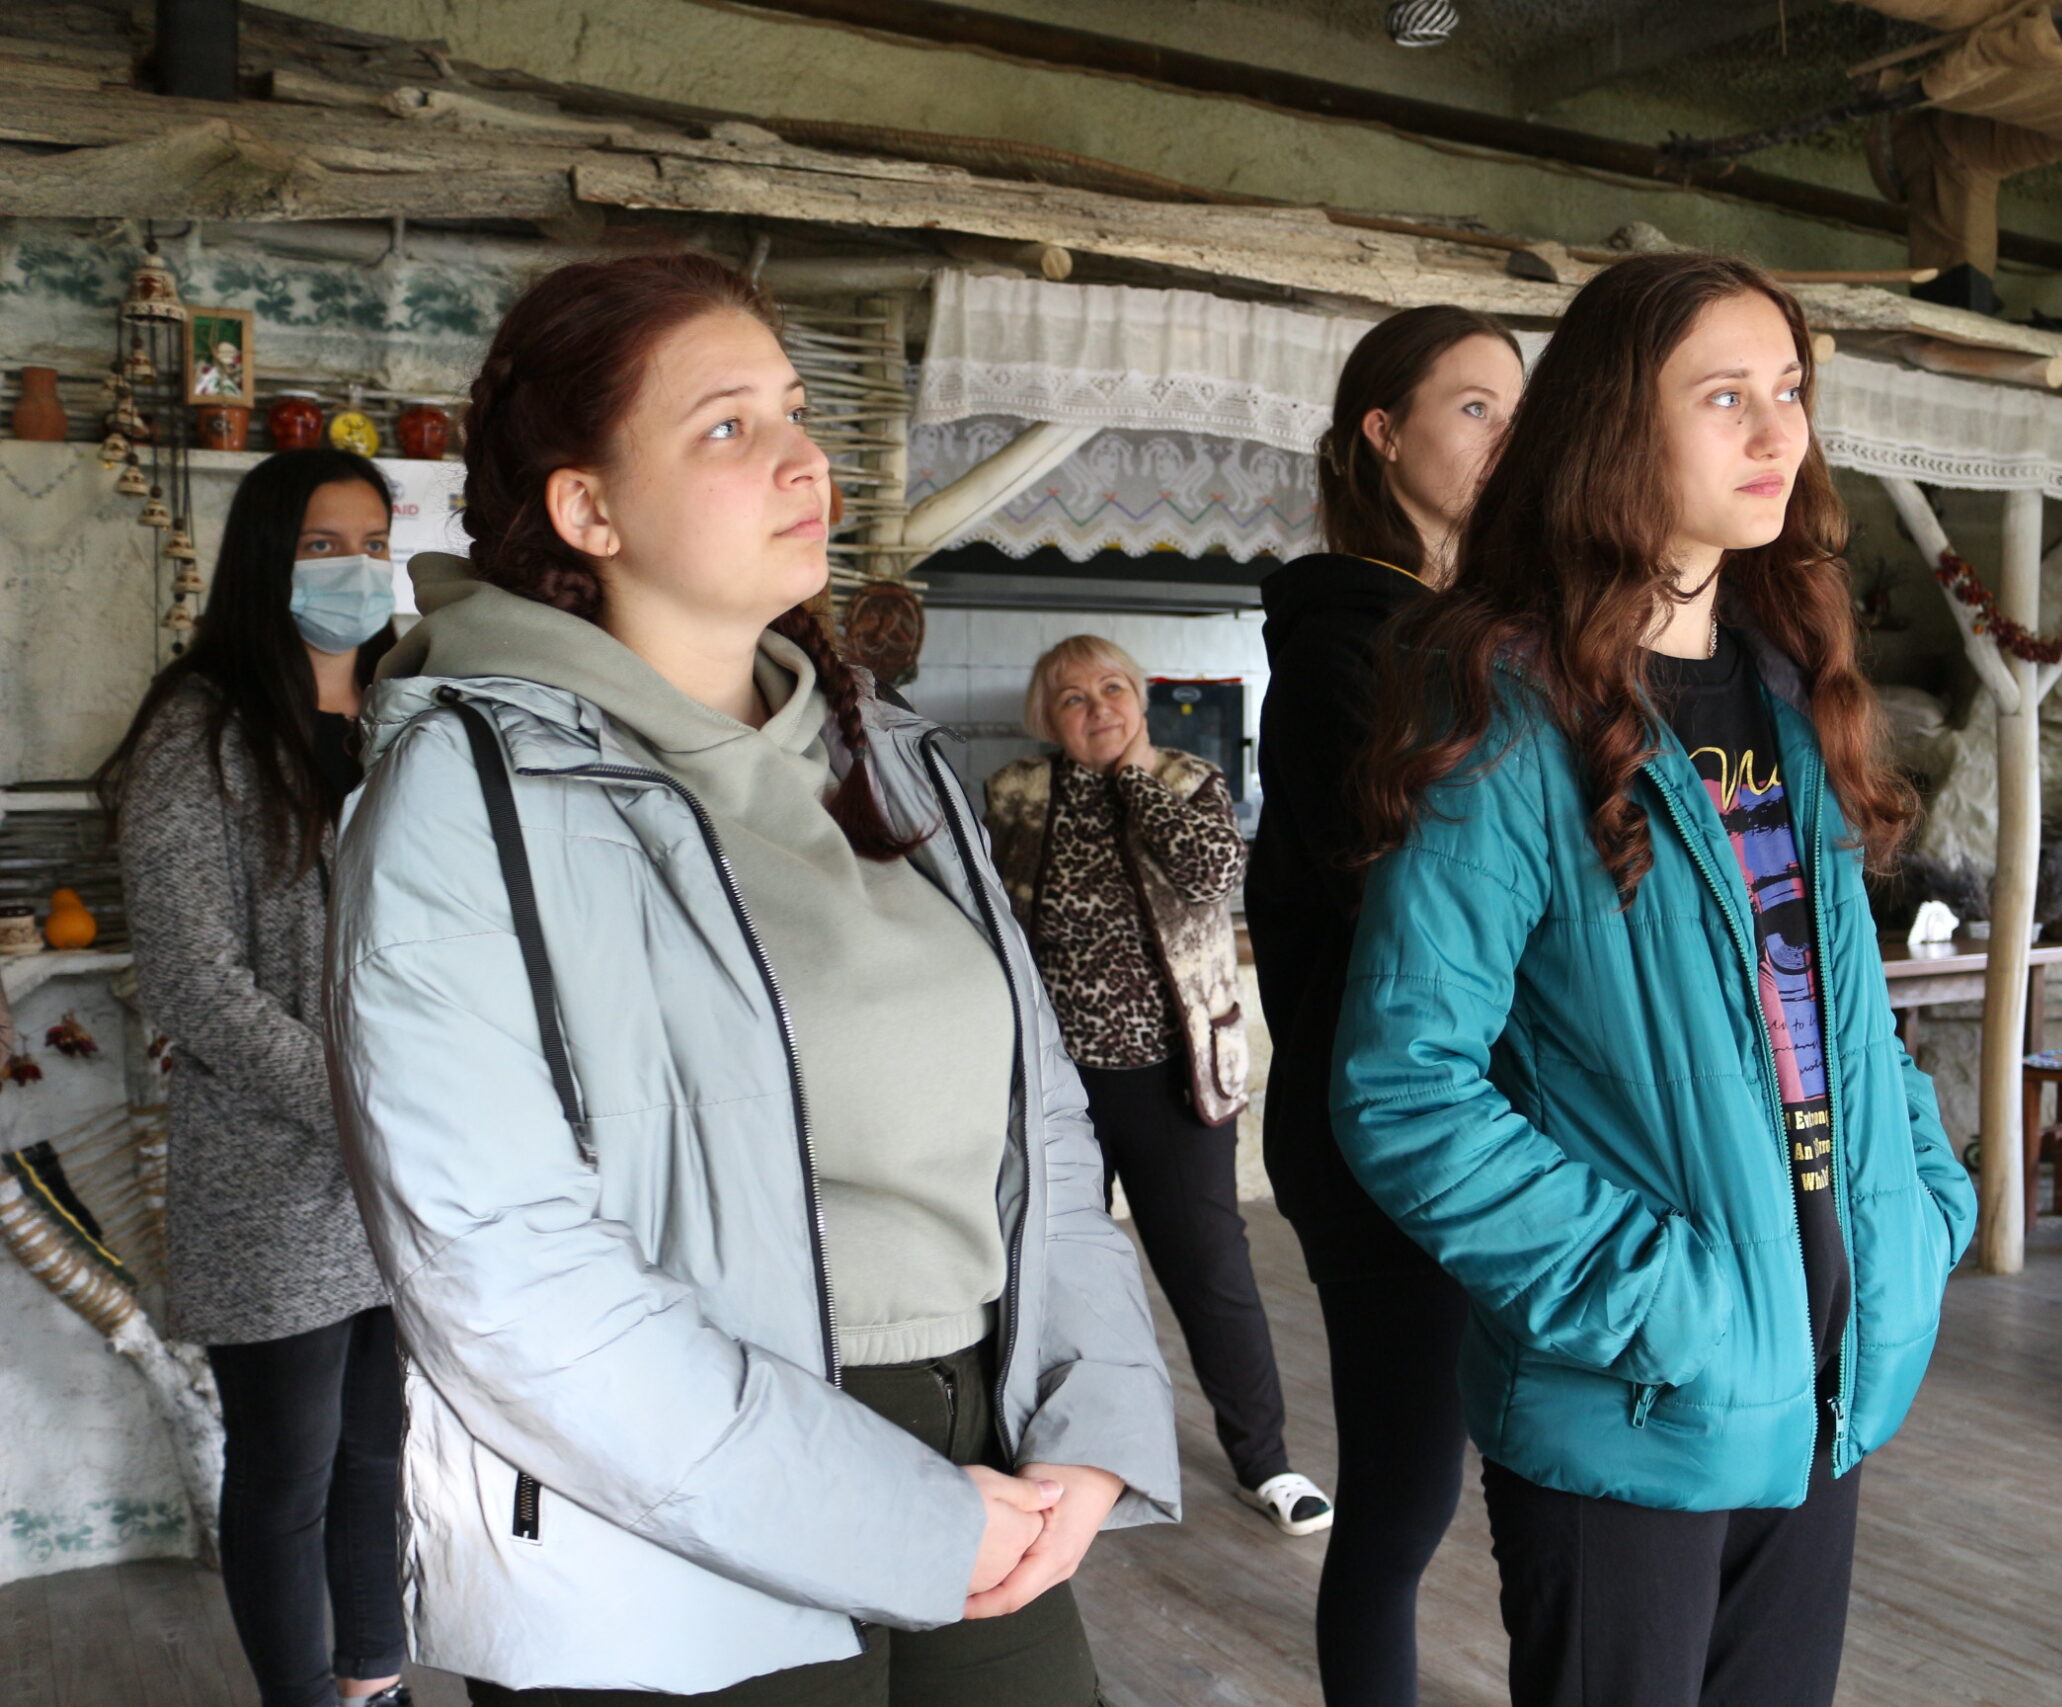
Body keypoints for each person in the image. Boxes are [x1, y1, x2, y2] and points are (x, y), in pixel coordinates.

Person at [324, 253, 1178, 1704]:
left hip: (981, 1449)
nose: (803, 460)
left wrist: (1092, 1424)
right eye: (728, 425)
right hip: (662, 1519)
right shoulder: (466, 792)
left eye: (795, 410)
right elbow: (504, 1267)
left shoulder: (887, 753)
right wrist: (888, 1513)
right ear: (587, 509)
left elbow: (1040, 1122)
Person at [1332, 251, 1975, 1707]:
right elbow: (1404, 1087)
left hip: (1824, 1372)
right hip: (1639, 1391)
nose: (1776, 431)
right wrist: (1660, 1298)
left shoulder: (1791, 685)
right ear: (1618, 425)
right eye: (1724, 396)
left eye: (1789, 390)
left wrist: (1921, 1208)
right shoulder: (1508, 706)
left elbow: (1839, 1013)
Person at [99, 448, 408, 1707]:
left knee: (380, 1448)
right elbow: (194, 982)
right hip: (274, 1173)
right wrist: (362, 1106)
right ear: (266, 560)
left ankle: (375, 1680)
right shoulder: (204, 729)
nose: (355, 568)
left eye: (372, 542)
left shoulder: (406, 715)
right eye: (322, 545)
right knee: (289, 1468)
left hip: (405, 1168)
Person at [1246, 305, 1523, 1707]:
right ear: (1383, 431)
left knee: (1530, 1475)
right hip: (1384, 1123)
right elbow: (1401, 894)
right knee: (1405, 1494)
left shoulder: (1477, 632)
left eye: (1516, 412)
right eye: (1473, 407)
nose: (1503, 438)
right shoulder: (1341, 647)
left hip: (1501, 1115)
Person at [983, 637, 1333, 1539]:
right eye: (1072, 697)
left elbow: (1213, 873)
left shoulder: (1188, 779)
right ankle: (1050, 1455)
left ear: (1140, 699)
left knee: (1210, 1269)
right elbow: (988, 914)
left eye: (1113, 687)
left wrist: (1133, 774)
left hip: (1172, 1079)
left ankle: (1266, 1461)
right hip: (1056, 1083)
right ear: (1045, 717)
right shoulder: (1016, 792)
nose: (1096, 706)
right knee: (1050, 1266)